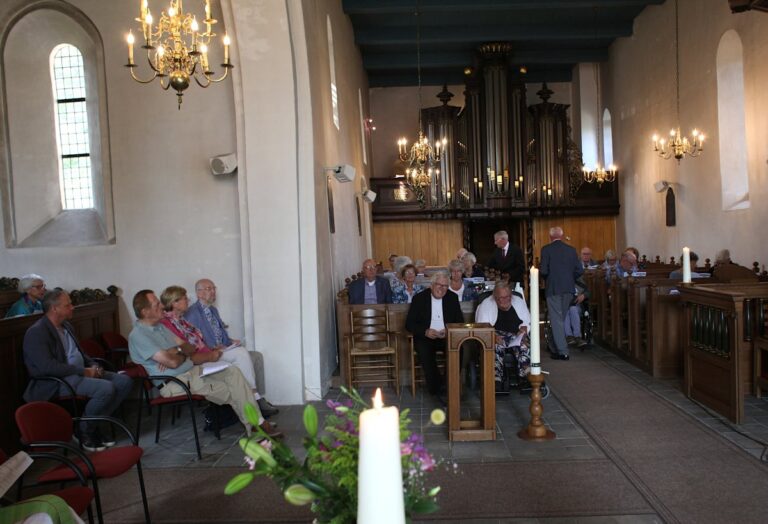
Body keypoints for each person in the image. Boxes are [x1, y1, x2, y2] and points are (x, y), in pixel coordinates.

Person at [128, 289, 282, 438]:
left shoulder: (160, 327)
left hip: (192, 372)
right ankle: (257, 425)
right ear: (145, 312)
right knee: (235, 390)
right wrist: (176, 352)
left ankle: (256, 424)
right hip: (175, 382)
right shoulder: (139, 335)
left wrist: (177, 350)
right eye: (156, 304)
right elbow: (173, 362)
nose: (161, 305)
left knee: (233, 372)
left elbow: (189, 347)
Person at [22, 289, 133, 451]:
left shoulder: (66, 326)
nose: (72, 307)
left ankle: (92, 425)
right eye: (68, 305)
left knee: (124, 381)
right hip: (57, 382)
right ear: (54, 309)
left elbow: (80, 353)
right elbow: (47, 367)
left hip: (79, 372)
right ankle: (84, 431)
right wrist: (83, 371)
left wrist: (93, 365)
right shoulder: (37, 332)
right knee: (106, 389)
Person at [160, 285, 278, 417]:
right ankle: (252, 403)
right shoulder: (173, 321)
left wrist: (222, 344)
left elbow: (199, 341)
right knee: (237, 361)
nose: (187, 299)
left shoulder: (183, 320)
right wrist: (208, 351)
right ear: (174, 302)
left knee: (247, 354)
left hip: (208, 352)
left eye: (213, 288)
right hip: (198, 361)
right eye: (184, 298)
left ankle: (253, 401)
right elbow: (184, 348)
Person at [405, 271, 464, 401]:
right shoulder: (419, 298)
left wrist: (448, 330)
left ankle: (448, 385)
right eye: (439, 285)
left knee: (460, 349)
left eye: (445, 286)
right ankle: (437, 388)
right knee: (425, 353)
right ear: (431, 285)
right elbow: (409, 324)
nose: (441, 289)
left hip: (446, 336)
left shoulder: (452, 298)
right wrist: (425, 331)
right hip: (426, 337)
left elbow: (460, 321)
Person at [475, 282, 531, 388]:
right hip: (496, 336)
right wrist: (493, 337)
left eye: (508, 297)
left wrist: (524, 329)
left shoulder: (518, 302)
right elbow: (482, 328)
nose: (506, 300)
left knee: (523, 345)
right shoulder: (486, 305)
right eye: (502, 298)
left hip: (516, 336)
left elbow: (528, 321)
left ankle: (526, 375)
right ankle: (496, 379)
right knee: (496, 346)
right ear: (495, 297)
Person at [539, 226, 583, 361]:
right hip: (569, 289)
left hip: (553, 288)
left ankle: (563, 352)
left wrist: (549, 279)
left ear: (550, 236)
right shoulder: (571, 250)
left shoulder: (546, 249)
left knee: (557, 320)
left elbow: (544, 271)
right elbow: (579, 270)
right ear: (562, 236)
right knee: (559, 319)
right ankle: (553, 346)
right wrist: (569, 278)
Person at [564, 277, 589, 349]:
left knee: (573, 309)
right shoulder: (561, 280)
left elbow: (587, 291)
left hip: (576, 306)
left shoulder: (578, 279)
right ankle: (569, 336)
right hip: (564, 306)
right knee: (566, 310)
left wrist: (583, 295)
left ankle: (577, 336)